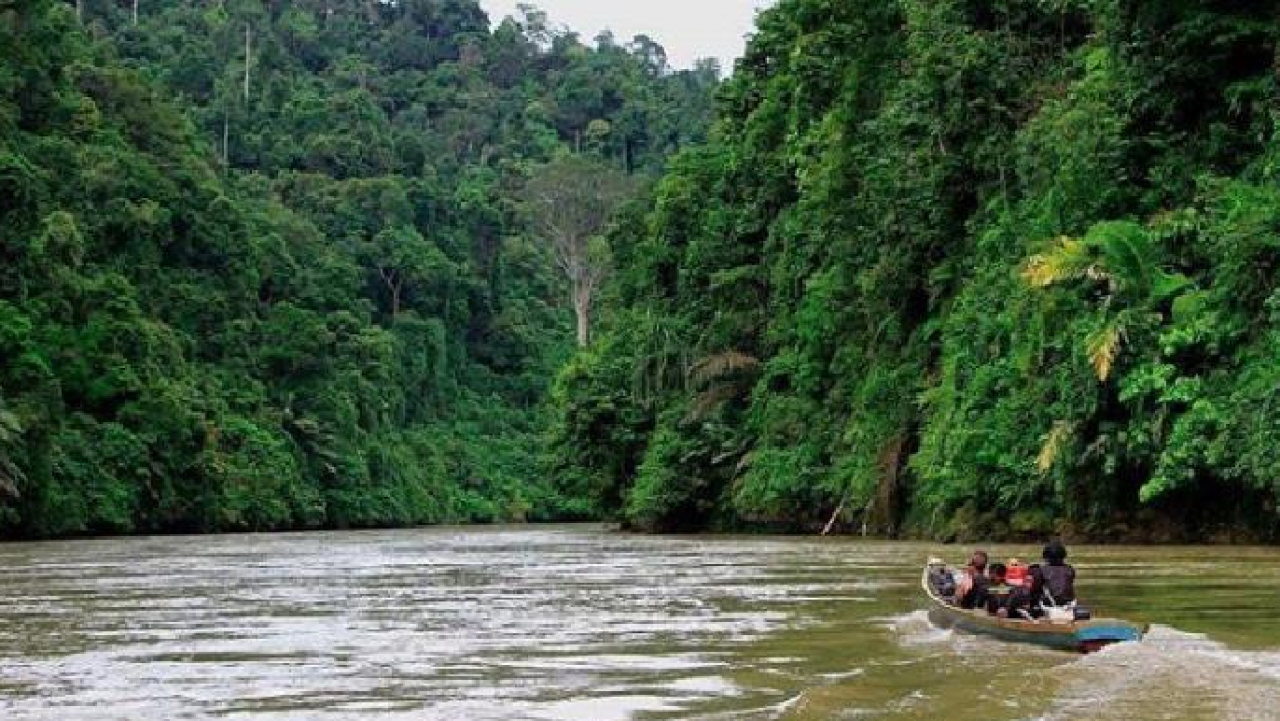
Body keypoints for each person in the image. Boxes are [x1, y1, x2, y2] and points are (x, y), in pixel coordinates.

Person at [1039, 540, 1076, 606]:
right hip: (1069, 602)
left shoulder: (1042, 570)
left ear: (1046, 557)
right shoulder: (1070, 569)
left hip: (1049, 603)